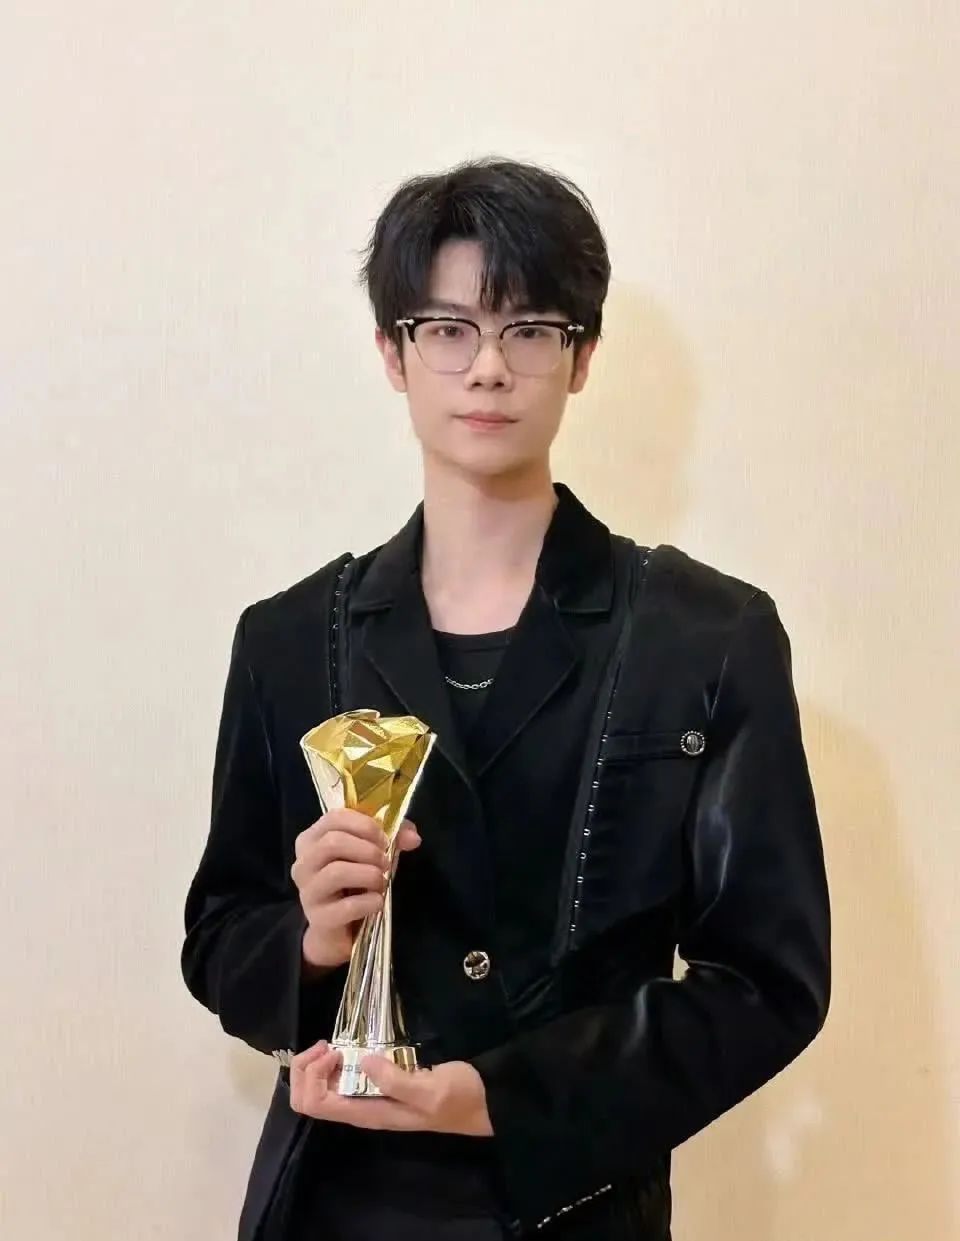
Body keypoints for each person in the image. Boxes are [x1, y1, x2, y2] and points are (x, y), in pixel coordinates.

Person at [181, 157, 831, 1241]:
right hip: (335, 1204)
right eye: (448, 329)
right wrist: (312, 939)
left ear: (582, 357)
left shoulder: (707, 636)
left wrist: (504, 1096)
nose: (487, 368)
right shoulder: (287, 639)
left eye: (529, 329)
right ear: (392, 352)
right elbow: (218, 938)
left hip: (576, 1204)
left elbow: (768, 981)